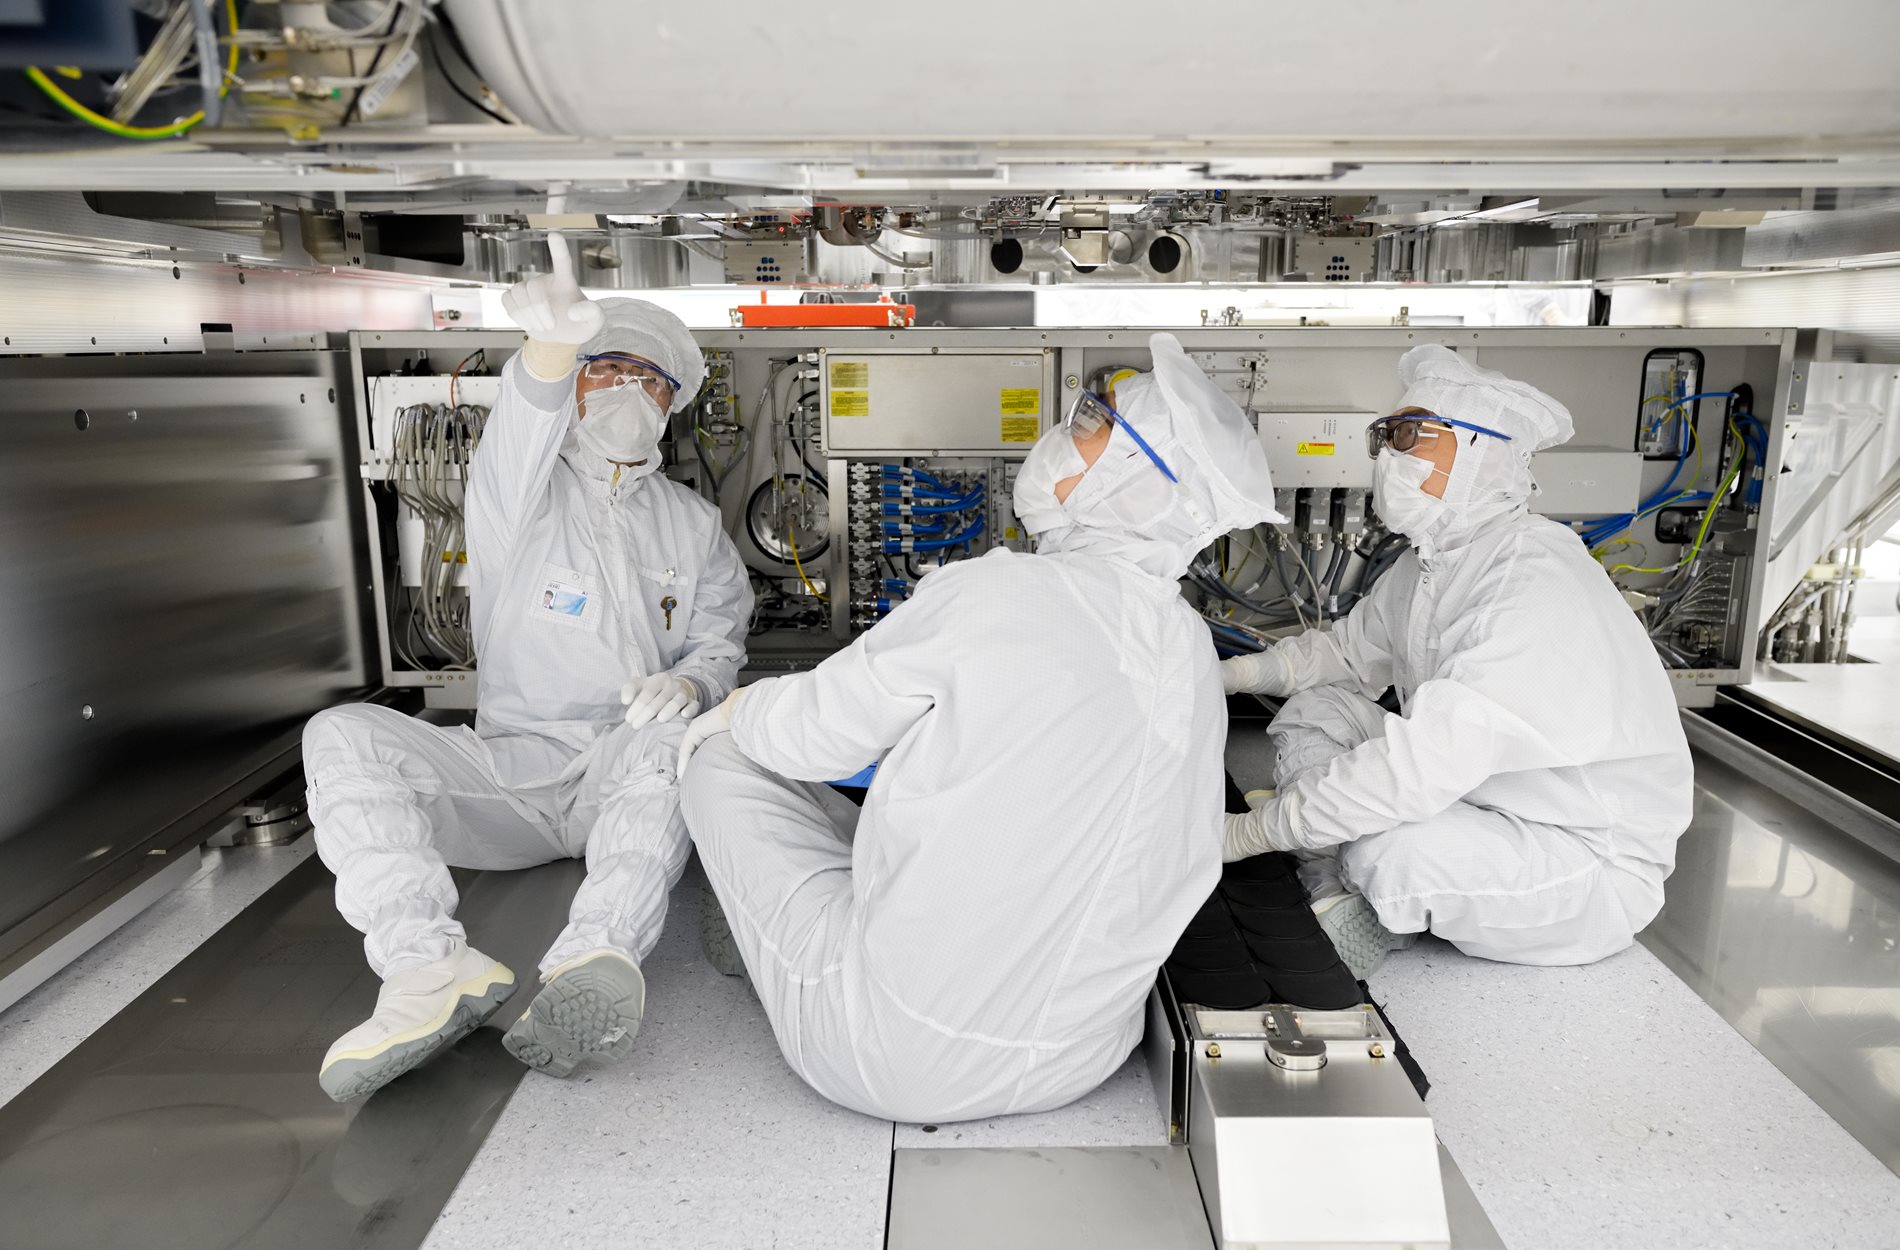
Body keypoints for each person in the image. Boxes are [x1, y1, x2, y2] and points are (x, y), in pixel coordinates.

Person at [674, 333, 1283, 1123]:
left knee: (721, 760)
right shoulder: (1190, 646)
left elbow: (808, 738)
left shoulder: (999, 590)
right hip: (1083, 1055)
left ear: (1137, 477)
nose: (1067, 425)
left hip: (892, 1057)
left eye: (1093, 418)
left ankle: (763, 931)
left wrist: (731, 708)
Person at [308, 237, 750, 1101]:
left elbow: (720, 640)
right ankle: (427, 970)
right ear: (576, 382)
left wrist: (694, 684)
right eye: (608, 369)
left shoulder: (691, 525)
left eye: (653, 381)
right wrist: (548, 351)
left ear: (673, 408)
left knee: (675, 743)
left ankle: (594, 955)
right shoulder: (519, 495)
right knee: (341, 733)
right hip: (510, 770)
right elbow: (521, 429)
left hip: (621, 772)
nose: (631, 390)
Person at [1219, 345, 1692, 976]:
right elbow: (1346, 654)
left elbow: (1420, 764)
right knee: (1319, 710)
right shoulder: (1433, 561)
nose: (1388, 456)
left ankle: (1345, 875)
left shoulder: (1529, 579)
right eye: (1383, 437)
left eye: (1410, 435)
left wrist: (1247, 836)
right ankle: (1328, 884)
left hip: (1579, 852)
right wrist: (1230, 675)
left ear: (1481, 451)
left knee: (1387, 848)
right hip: (1479, 794)